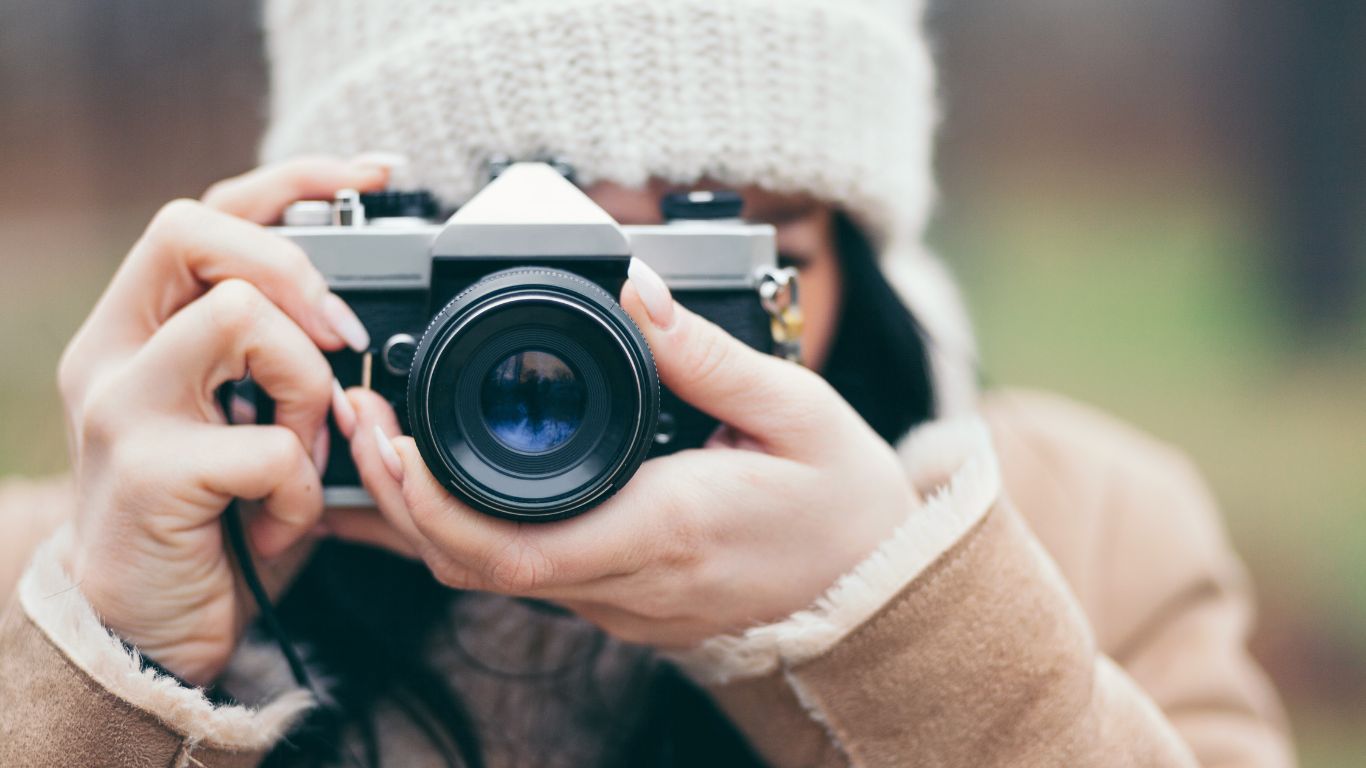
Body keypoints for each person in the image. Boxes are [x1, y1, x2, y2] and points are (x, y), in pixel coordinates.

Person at [0, 1, 1295, 766]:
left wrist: (901, 628)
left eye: (725, 267)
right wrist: (114, 666)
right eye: (482, 274)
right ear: (323, 253)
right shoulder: (65, 580)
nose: (573, 355)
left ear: (844, 253)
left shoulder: (1091, 532)